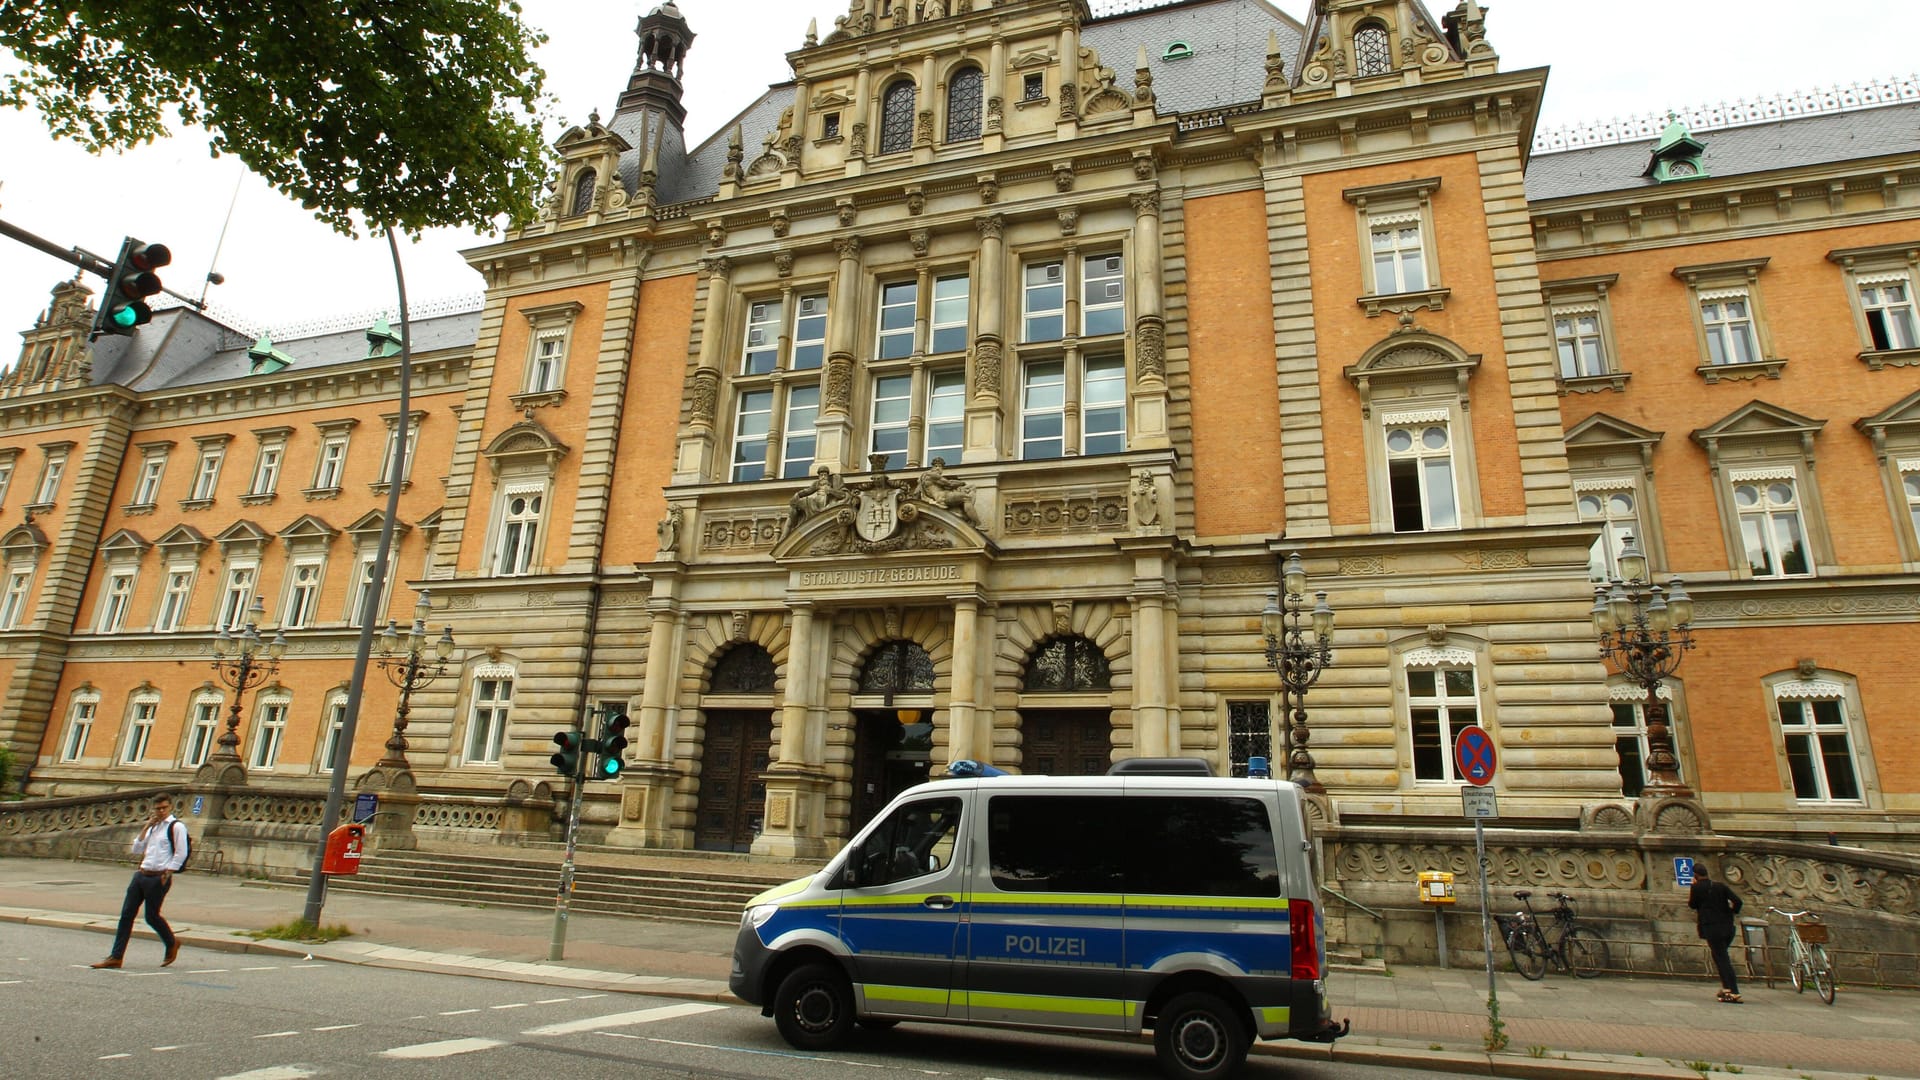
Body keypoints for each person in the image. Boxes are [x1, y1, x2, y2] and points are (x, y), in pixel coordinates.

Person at [91, 794, 187, 969]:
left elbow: (181, 852)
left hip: (158, 877)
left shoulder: (176, 827)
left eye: (164, 808)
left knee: (152, 916)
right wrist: (146, 826)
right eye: (158, 808)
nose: (161, 811)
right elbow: (137, 848)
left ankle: (172, 942)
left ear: (170, 807)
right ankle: (116, 956)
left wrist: (168, 872)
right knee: (126, 915)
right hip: (141, 874)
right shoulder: (153, 827)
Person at [1688, 863, 1743, 1003]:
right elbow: (1737, 901)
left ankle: (1733, 991)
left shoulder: (1696, 887)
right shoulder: (1720, 886)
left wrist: (1693, 887)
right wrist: (1732, 912)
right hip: (1728, 927)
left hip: (1712, 928)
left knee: (1722, 959)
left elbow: (1693, 905)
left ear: (1695, 875)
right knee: (1720, 957)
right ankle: (1727, 989)